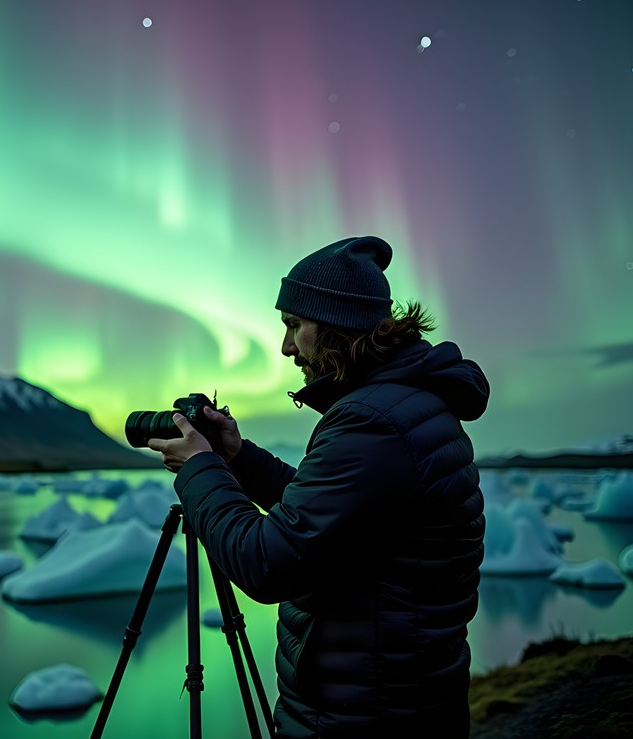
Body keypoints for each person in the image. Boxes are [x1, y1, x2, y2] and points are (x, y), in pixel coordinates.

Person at [147, 236, 489, 738]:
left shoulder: (373, 423)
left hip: (361, 715)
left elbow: (267, 561)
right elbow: (332, 516)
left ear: (335, 325)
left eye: (293, 325)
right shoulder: (402, 407)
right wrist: (239, 459)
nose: (286, 347)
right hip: (393, 700)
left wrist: (199, 468)